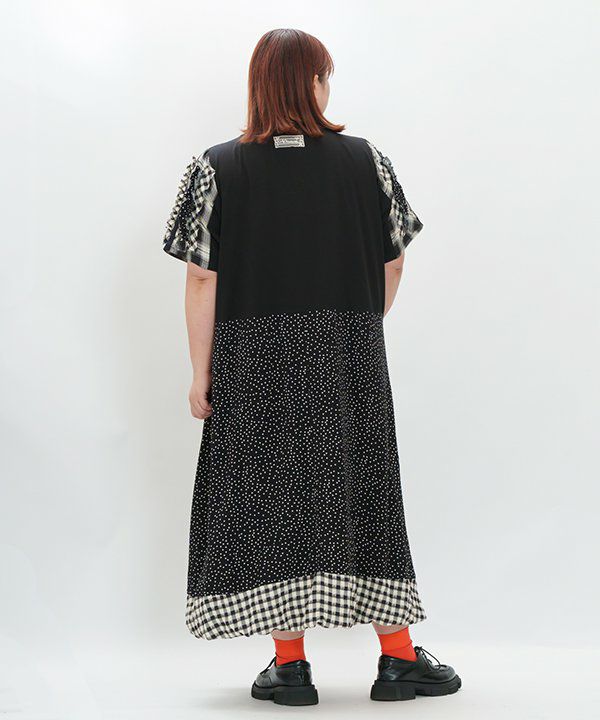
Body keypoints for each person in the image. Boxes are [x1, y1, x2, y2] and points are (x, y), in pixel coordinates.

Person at [162, 27, 461, 706]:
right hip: (347, 351)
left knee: (270, 500)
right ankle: (398, 658)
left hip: (251, 356)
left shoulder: (215, 167)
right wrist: (359, 326)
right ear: (316, 82)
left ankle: (290, 667)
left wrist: (201, 373)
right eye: (326, 76)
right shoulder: (366, 161)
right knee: (366, 491)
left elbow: (202, 277)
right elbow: (394, 261)